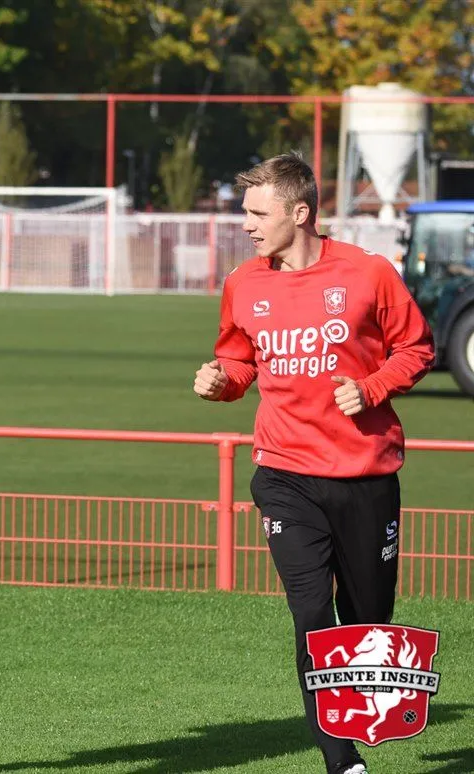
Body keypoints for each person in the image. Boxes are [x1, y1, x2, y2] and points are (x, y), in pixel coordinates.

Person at [193, 153, 434, 774]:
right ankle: (340, 760)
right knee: (309, 613)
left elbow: (417, 347)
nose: (245, 225)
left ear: (300, 213)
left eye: (257, 213)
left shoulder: (370, 273)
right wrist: (221, 381)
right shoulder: (243, 283)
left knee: (367, 623)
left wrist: (374, 387)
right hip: (283, 474)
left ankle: (358, 721)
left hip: (366, 476)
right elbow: (241, 362)